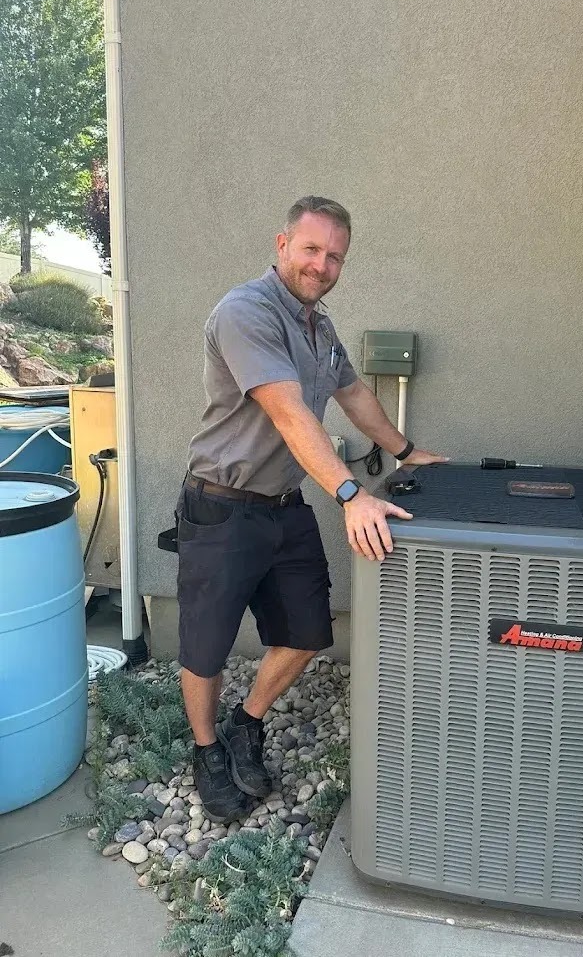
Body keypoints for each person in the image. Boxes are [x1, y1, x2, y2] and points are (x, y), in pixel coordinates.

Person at [176, 195, 448, 822]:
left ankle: (246, 723)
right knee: (205, 646)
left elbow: (353, 396)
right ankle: (206, 750)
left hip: (283, 505)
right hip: (222, 503)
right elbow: (288, 411)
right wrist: (350, 494)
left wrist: (407, 453)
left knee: (307, 633)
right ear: (282, 245)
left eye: (335, 257)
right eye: (312, 249)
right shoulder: (247, 312)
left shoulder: (319, 328)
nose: (322, 265)